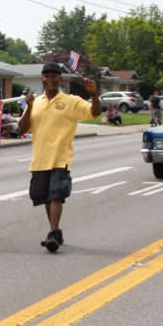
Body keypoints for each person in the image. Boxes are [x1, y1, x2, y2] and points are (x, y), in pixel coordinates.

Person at [17, 63, 100, 253]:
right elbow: (22, 129)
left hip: (61, 157)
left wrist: (94, 95)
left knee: (56, 194)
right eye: (46, 76)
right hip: (40, 158)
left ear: (60, 79)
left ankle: (53, 233)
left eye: (54, 75)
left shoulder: (71, 101)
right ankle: (55, 232)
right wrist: (29, 108)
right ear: (42, 79)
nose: (50, 79)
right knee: (46, 196)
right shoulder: (35, 102)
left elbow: (94, 112)